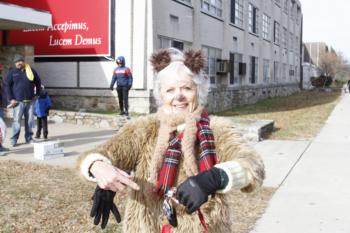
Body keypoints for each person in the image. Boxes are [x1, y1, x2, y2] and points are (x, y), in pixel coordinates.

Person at [78, 48, 265, 233]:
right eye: (170, 90)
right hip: (146, 227)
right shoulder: (144, 128)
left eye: (186, 88)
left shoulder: (217, 129)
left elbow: (253, 165)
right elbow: (103, 153)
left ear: (199, 91)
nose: (179, 96)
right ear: (161, 95)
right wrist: (98, 166)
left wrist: (215, 178)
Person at [5, 54, 41, 147]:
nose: (18, 63)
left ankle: (29, 138)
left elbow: (38, 82)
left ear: (23, 61)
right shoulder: (12, 72)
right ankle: (14, 140)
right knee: (16, 121)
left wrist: (37, 94)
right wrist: (11, 99)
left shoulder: (31, 71)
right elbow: (7, 86)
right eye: (17, 62)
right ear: (15, 63)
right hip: (18, 102)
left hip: (30, 101)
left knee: (29, 121)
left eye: (20, 61)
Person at [0, 65, 9, 156]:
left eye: (1, 69)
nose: (1, 70)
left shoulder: (1, 78)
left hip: (1, 106)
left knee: (1, 128)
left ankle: (0, 146)